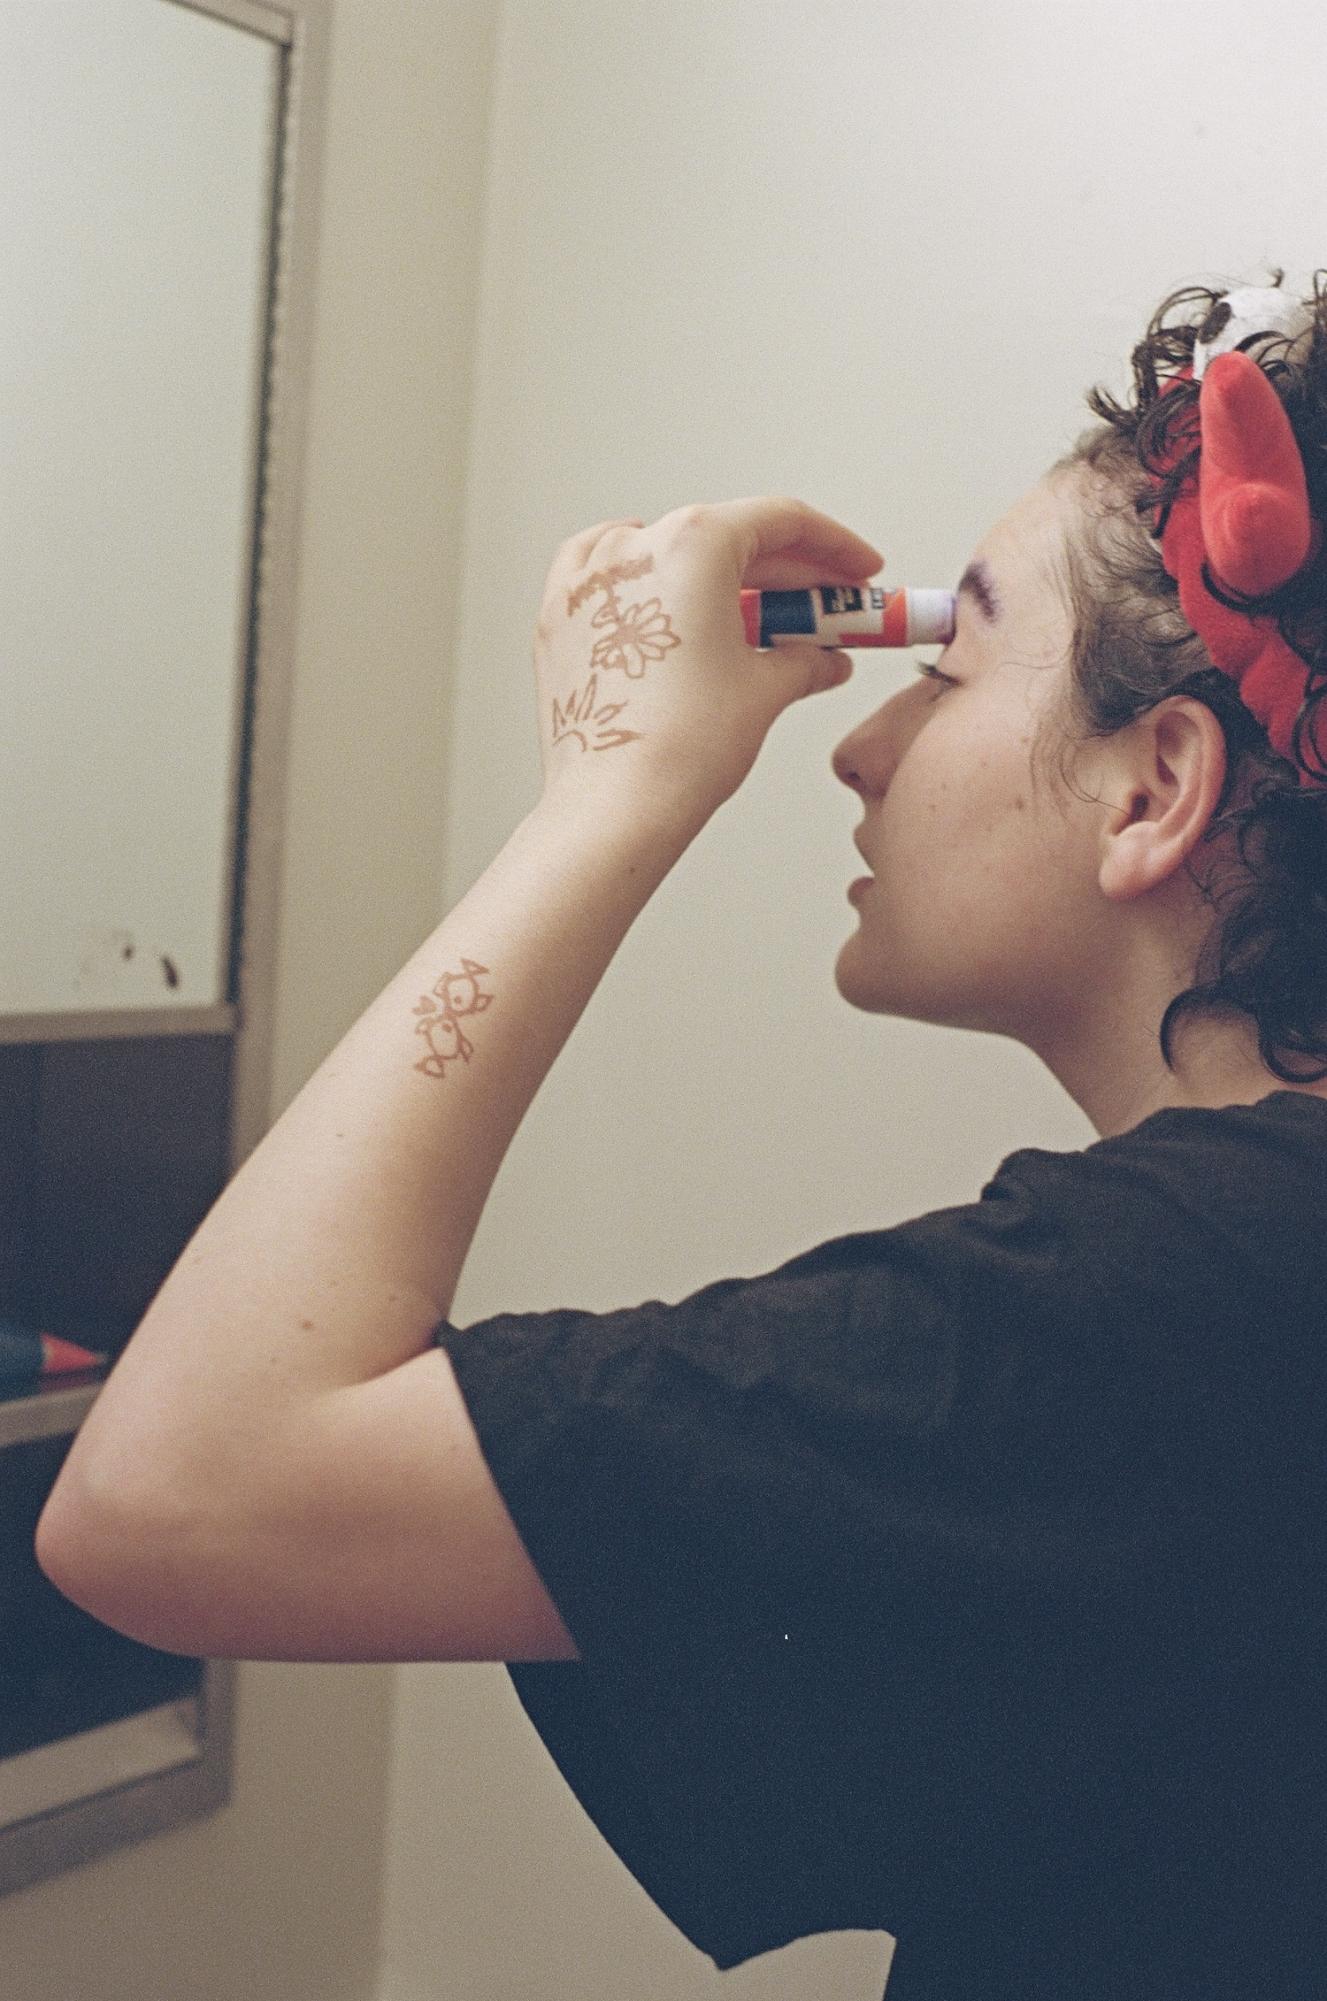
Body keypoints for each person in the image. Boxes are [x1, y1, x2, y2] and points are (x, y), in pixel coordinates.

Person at [37, 274, 1327, 1999]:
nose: (860, 745)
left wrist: (612, 785)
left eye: (941, 667)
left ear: (1156, 788)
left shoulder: (1174, 1308)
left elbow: (165, 1496)